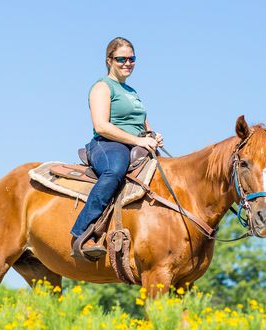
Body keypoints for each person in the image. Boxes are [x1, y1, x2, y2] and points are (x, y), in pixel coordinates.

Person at [71, 37, 163, 259]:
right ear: (109, 60)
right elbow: (101, 126)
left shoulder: (132, 91)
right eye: (121, 59)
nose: (127, 63)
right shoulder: (102, 87)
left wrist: (153, 136)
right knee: (115, 171)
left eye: (132, 59)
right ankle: (82, 232)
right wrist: (138, 140)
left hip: (135, 144)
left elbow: (144, 124)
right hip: (108, 144)